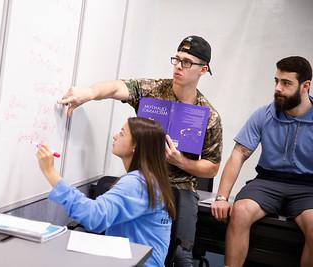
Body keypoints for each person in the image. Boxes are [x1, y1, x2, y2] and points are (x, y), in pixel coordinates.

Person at [58, 35, 223, 266]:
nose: (178, 66)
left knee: (181, 255)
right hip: (143, 179)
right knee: (114, 238)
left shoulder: (209, 116)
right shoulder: (153, 89)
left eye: (186, 62)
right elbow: (116, 87)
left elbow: (212, 167)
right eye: (177, 59)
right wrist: (89, 93)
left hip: (179, 185)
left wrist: (179, 161)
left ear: (203, 69)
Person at [211, 56, 313, 267]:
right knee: (239, 211)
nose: (278, 88)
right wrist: (222, 197)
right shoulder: (264, 114)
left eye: (286, 83)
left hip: (308, 187)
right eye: (276, 81)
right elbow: (239, 153)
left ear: (305, 86)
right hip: (268, 181)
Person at [37, 117, 176, 267]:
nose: (115, 136)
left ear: (135, 145)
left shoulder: (138, 183)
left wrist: (50, 172)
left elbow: (94, 216)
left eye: (122, 134)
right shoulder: (149, 179)